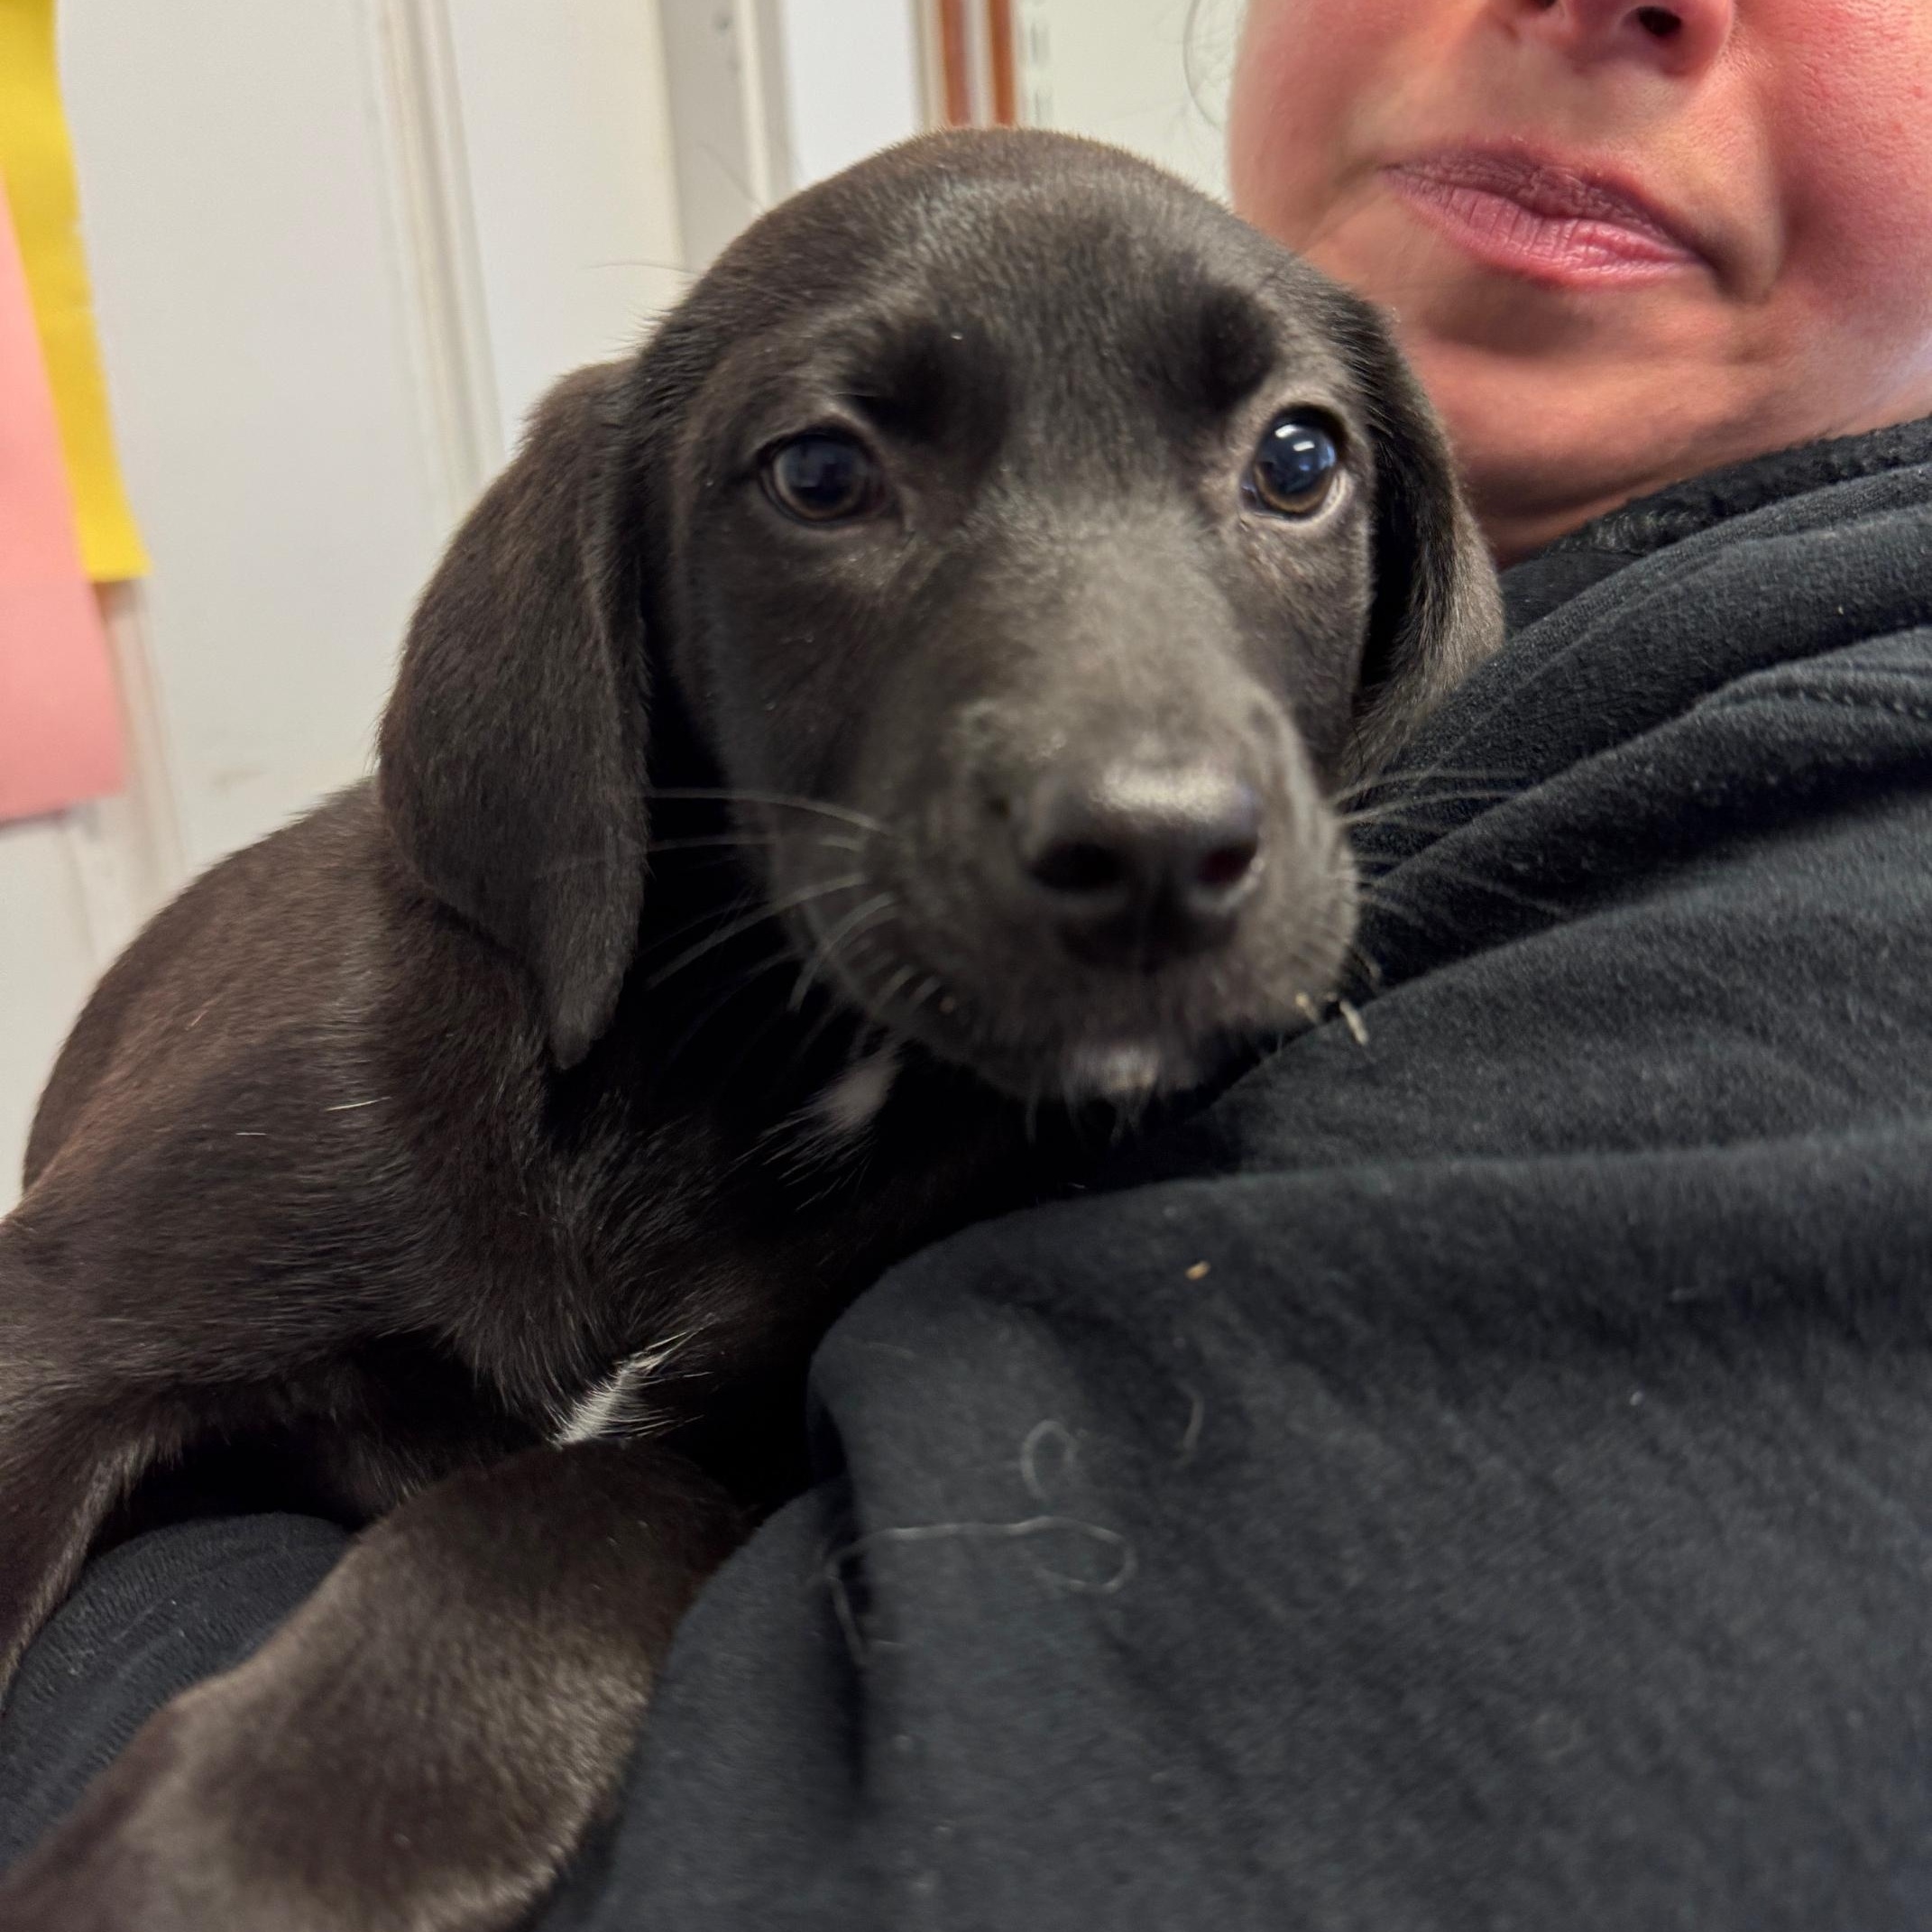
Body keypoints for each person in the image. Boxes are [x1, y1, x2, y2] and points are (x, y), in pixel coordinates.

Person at [4, 4, 1929, 1926]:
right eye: (828, 479)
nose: (1147, 779)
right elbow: (52, 1355)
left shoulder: (1823, 790)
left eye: (1289, 465)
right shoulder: (394, 1049)